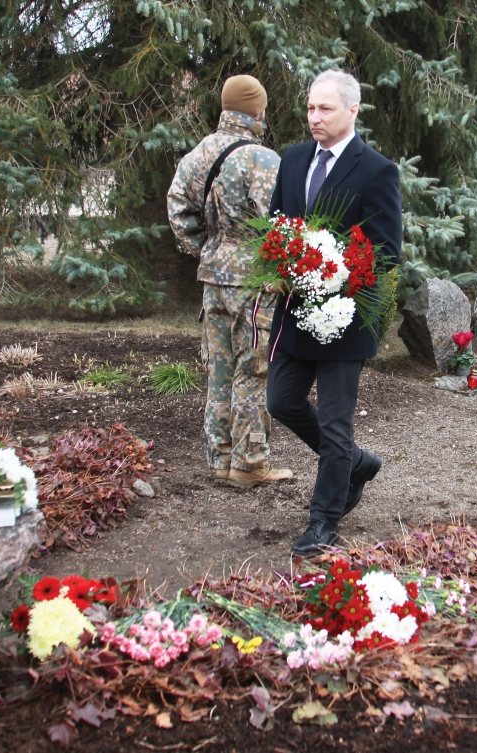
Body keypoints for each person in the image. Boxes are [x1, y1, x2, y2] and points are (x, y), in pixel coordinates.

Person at [264, 69, 403, 556]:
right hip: (295, 310)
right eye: (309, 107)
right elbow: (277, 226)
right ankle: (357, 464)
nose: (314, 117)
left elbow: (386, 252)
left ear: (352, 111)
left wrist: (334, 271)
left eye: (324, 108)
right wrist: (279, 263)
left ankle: (324, 520)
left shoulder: (377, 170)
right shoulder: (294, 158)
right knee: (281, 401)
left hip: (346, 317)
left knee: (337, 424)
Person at [167, 75, 293, 489]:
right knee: (252, 370)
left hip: (213, 280)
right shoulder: (262, 159)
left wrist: (209, 249)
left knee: (219, 368)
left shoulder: (198, 155)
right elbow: (283, 224)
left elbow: (178, 212)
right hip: (253, 284)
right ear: (257, 110)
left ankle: (221, 458)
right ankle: (250, 463)